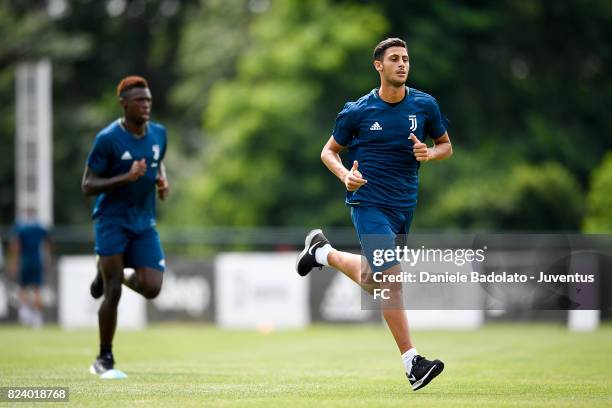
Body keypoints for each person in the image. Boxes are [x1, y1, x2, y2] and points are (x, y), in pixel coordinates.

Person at [296, 38, 453, 391]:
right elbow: (328, 152)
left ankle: (321, 252)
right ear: (378, 66)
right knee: (393, 279)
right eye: (394, 59)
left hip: (404, 208)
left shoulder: (425, 105)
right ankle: (413, 362)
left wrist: (429, 153)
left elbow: (446, 146)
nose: (402, 64)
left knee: (376, 280)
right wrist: (345, 176)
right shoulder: (358, 111)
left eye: (406, 59)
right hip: (368, 204)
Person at [82, 75, 169, 375]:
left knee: (152, 287)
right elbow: (88, 184)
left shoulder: (159, 133)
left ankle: (110, 271)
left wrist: (161, 178)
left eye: (148, 100)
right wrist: (125, 177)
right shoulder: (107, 139)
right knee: (113, 291)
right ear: (124, 104)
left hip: (144, 221)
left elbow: (158, 159)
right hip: (111, 220)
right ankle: (104, 358)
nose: (146, 105)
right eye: (140, 101)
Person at [7, 210, 52, 328]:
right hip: (37, 261)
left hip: (25, 261)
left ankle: (25, 313)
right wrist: (48, 257)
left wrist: (13, 262)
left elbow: (15, 244)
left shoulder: (21, 228)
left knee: (23, 288)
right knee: (37, 289)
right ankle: (37, 317)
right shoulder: (39, 227)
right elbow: (49, 240)